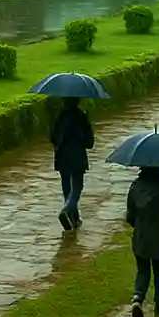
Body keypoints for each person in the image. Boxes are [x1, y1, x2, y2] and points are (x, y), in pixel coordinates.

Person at [126, 165, 159, 317]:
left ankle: (138, 298)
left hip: (141, 237)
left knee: (143, 270)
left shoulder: (135, 187)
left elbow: (130, 216)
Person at [49, 96, 94, 230]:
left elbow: (53, 138)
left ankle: (74, 219)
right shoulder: (82, 117)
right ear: (78, 101)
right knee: (77, 188)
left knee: (67, 188)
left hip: (62, 157)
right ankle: (67, 210)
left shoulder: (60, 117)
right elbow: (90, 143)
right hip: (78, 157)